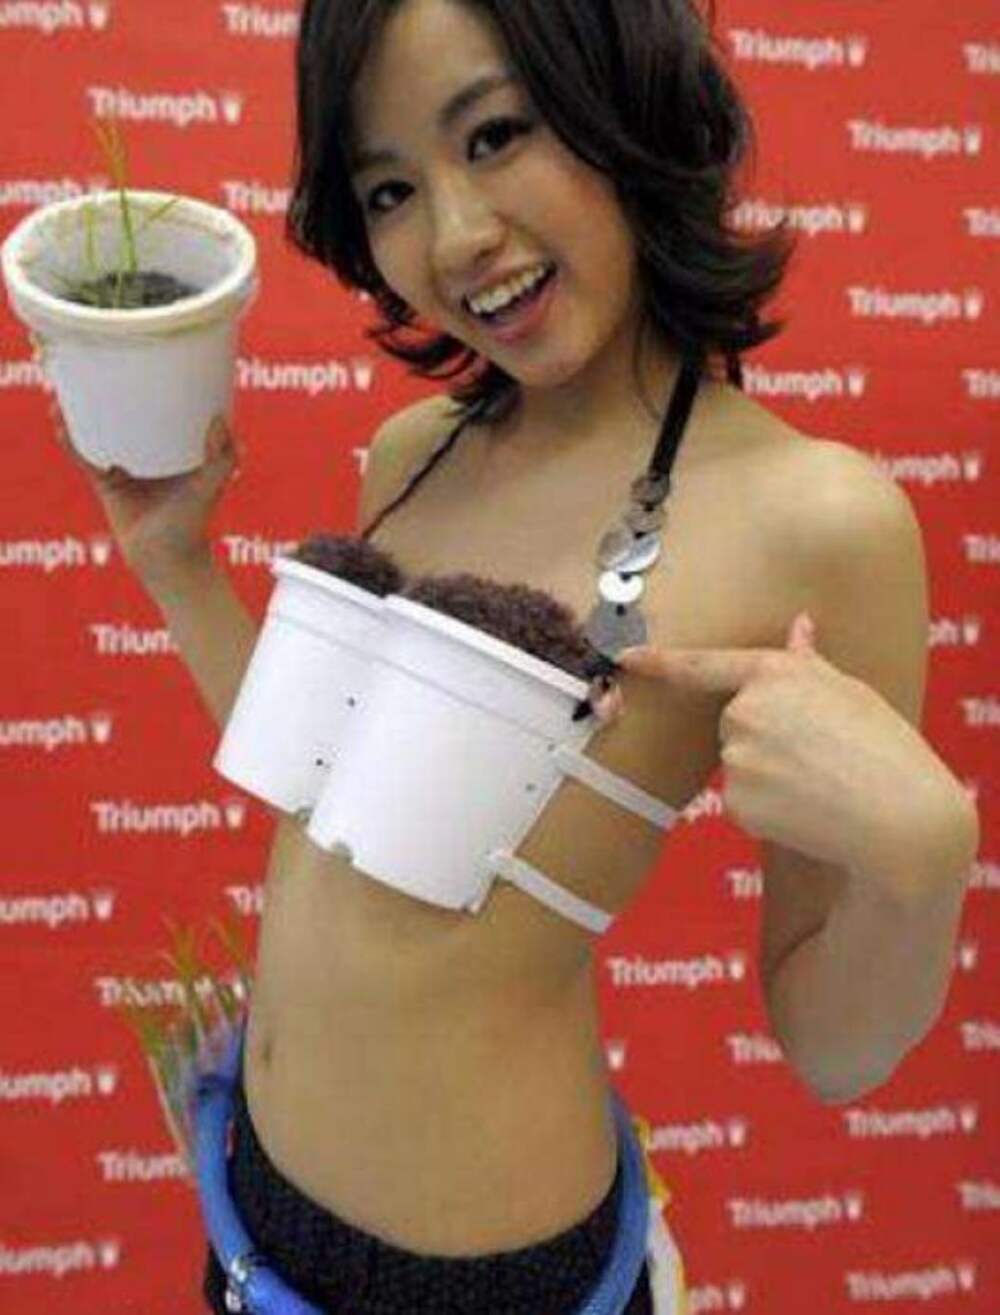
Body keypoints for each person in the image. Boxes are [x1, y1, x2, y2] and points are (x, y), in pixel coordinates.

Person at [48, 0, 979, 1311]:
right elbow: (330, 809)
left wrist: (924, 861)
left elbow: (837, 1054)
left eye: (493, 135)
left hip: (494, 1284)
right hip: (253, 1221)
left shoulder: (815, 518)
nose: (453, 237)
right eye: (389, 189)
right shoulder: (412, 450)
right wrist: (177, 566)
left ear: (625, 107)